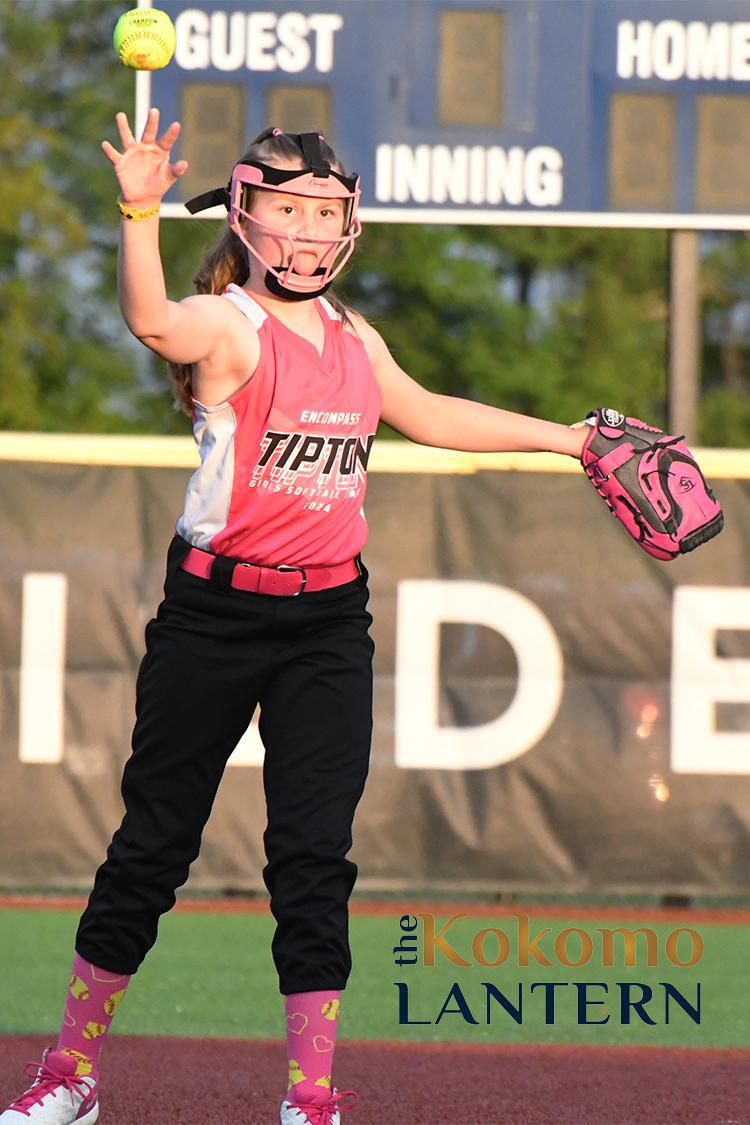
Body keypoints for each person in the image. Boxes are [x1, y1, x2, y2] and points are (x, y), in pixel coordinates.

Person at [0, 108, 587, 1125]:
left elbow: (436, 414)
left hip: (327, 626)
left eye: (326, 213)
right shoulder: (231, 325)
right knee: (154, 845)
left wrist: (572, 438)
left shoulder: (359, 336)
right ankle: (71, 1073)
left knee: (313, 857)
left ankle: (311, 1098)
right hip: (213, 618)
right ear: (244, 217)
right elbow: (153, 323)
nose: (310, 232)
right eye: (287, 211)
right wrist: (138, 210)